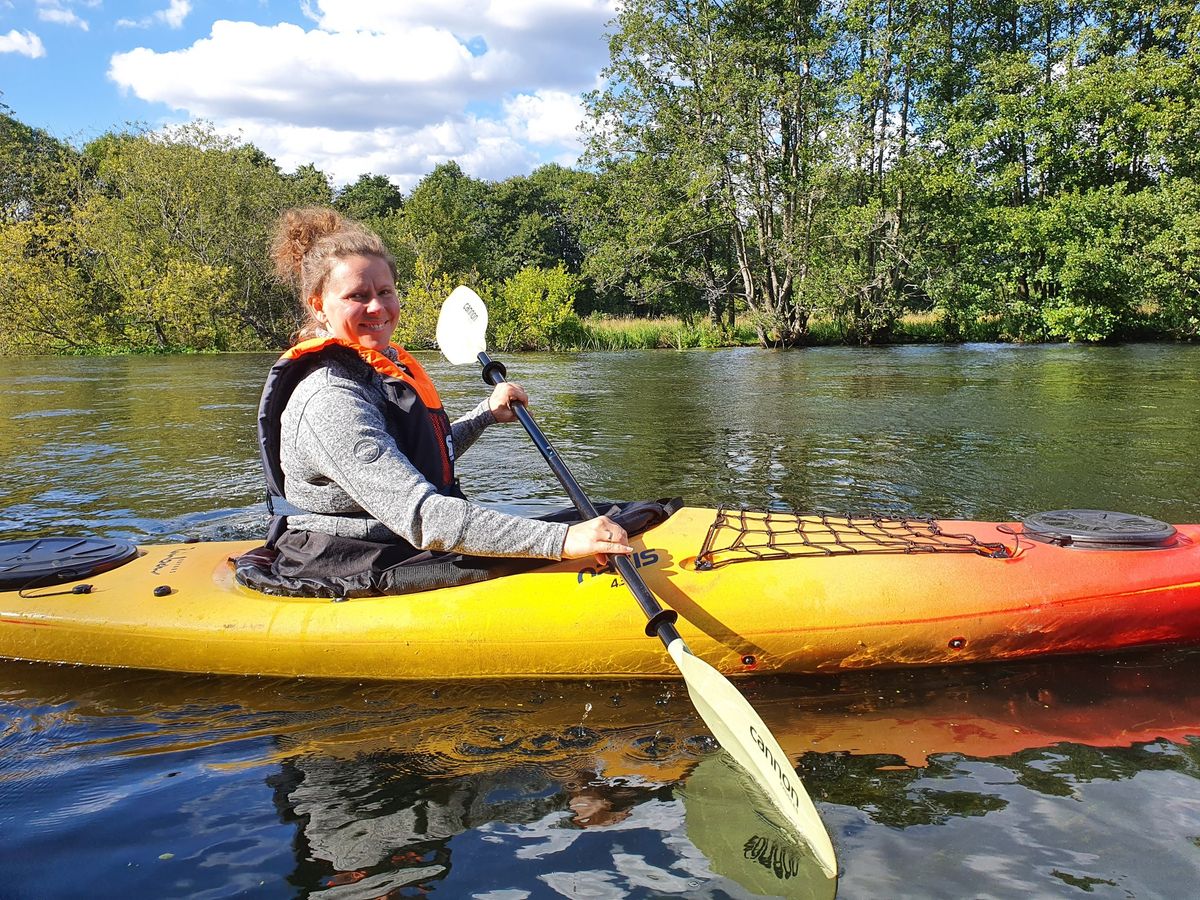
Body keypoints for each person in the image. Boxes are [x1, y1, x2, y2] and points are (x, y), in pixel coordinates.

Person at [255, 207, 630, 595]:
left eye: (385, 292)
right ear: (318, 304)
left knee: (624, 515)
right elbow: (423, 516)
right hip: (349, 559)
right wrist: (563, 542)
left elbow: (422, 454)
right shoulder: (330, 399)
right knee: (569, 533)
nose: (377, 308)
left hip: (396, 539)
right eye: (357, 296)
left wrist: (485, 414)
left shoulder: (374, 370)